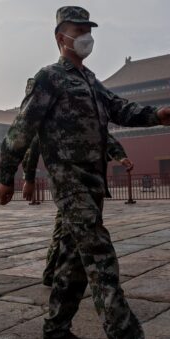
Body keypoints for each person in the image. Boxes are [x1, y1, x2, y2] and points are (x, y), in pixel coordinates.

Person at [0, 6, 170, 339]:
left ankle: (56, 329)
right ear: (60, 37)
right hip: (69, 181)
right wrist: (7, 176)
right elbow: (22, 130)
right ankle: (125, 332)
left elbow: (119, 107)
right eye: (77, 30)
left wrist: (156, 114)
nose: (85, 36)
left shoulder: (90, 79)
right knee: (99, 253)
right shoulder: (49, 77)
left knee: (73, 261)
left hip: (94, 182)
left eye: (87, 30)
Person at [21, 121, 134, 287]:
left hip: (93, 183)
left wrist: (121, 156)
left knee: (78, 227)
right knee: (67, 230)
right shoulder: (52, 116)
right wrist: (29, 179)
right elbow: (33, 148)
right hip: (67, 185)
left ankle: (60, 273)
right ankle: (64, 275)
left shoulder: (86, 116)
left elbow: (105, 138)